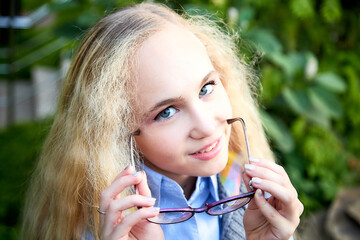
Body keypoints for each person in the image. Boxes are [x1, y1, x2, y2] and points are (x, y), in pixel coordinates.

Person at [21, 2, 303, 240]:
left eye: (206, 88)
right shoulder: (102, 227)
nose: (206, 126)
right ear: (116, 133)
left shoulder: (245, 185)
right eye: (166, 112)